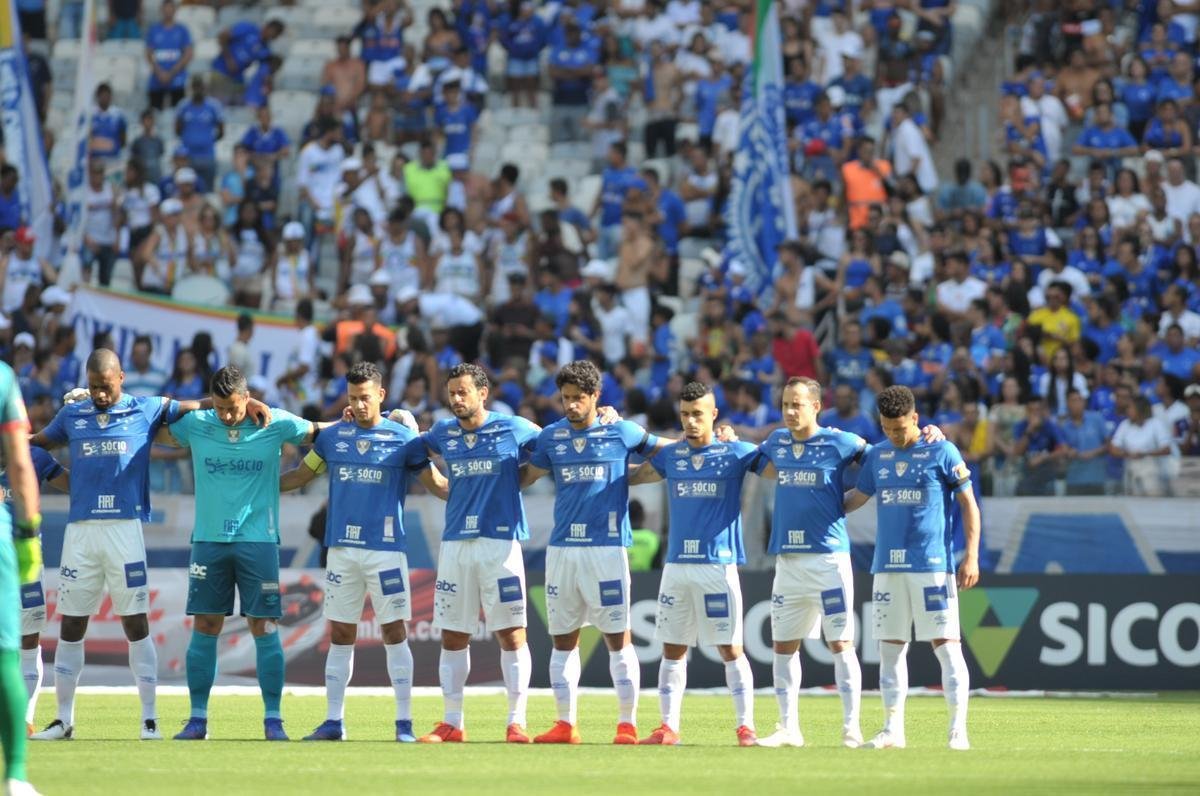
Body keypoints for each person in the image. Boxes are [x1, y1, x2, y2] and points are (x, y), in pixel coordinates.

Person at [29, 351, 264, 742]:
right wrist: (64, 478)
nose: (100, 395)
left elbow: (197, 404)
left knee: (135, 624)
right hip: (81, 533)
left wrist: (248, 401)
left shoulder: (146, 409)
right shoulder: (73, 415)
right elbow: (35, 446)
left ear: (121, 378)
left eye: (105, 387)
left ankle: (149, 719)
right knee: (71, 624)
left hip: (124, 529)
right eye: (93, 387)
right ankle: (63, 719)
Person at [279, 363, 447, 742]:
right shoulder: (332, 437)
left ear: (382, 396)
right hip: (342, 550)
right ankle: (333, 721)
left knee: (394, 631)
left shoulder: (404, 439)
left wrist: (474, 492)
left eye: (365, 398)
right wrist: (257, 485)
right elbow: (301, 476)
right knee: (340, 632)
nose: (358, 405)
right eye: (353, 398)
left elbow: (436, 483)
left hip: (386, 551)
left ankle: (404, 723)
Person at [163, 366, 314, 741]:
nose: (226, 416)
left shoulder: (274, 424)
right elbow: (151, 422)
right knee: (206, 626)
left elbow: (319, 433)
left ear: (247, 398)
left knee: (263, 627)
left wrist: (310, 468)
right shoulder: (198, 422)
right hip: (209, 541)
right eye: (219, 407)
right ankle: (197, 719)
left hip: (258, 542)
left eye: (232, 407)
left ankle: (274, 720)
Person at [519, 361, 658, 745]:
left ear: (596, 396)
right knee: (562, 639)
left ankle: (627, 725)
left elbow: (665, 455)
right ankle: (565, 724)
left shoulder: (622, 431)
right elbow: (525, 475)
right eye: (565, 398)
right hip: (563, 549)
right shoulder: (551, 438)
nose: (571, 405)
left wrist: (631, 476)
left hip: (606, 549)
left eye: (578, 398)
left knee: (618, 638)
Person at [843, 385, 980, 751]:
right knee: (889, 651)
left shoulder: (942, 449)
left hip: (932, 566)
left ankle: (957, 732)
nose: (893, 435)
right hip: (888, 567)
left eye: (900, 428)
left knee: (947, 648)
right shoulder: (879, 456)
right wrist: (819, 509)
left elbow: (969, 504)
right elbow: (858, 497)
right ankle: (892, 730)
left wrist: (971, 556)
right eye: (887, 428)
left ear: (916, 419)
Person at [628, 381, 759, 747]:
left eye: (697, 414)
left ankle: (746, 727)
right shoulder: (672, 456)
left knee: (730, 648)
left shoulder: (735, 453)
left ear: (714, 414)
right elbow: (634, 474)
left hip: (718, 566)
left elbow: (780, 468)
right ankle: (668, 727)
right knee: (672, 648)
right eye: (684, 414)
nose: (690, 421)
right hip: (676, 566)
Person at [417, 363, 541, 744]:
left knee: (512, 634)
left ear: (482, 393)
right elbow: (412, 453)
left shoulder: (513, 427)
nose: (456, 399)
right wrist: (440, 485)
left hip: (500, 545)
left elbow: (556, 446)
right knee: (454, 636)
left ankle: (515, 722)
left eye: (463, 392)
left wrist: (521, 479)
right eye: (451, 392)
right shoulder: (443, 432)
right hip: (456, 544)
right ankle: (452, 722)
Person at [0, 360, 44, 796]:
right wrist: (28, 534)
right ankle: (14, 775)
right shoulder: (3, 378)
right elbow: (19, 461)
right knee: (3, 657)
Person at [4, 443, 68, 738]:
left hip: (25, 561)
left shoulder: (35, 456)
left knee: (28, 640)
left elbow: (75, 484)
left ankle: (25, 719)